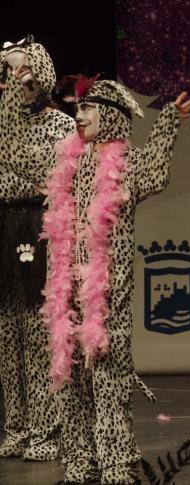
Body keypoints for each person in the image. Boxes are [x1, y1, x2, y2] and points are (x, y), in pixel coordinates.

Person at [0, 73, 190, 483]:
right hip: (64, 288)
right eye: (78, 107)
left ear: (111, 115)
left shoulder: (127, 163)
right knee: (68, 374)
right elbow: (13, 151)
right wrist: (13, 96)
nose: (79, 114)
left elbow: (157, 172)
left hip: (106, 294)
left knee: (108, 377)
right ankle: (80, 458)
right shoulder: (64, 161)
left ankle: (116, 461)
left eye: (88, 107)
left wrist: (168, 124)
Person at [0, 37, 71, 461]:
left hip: (38, 223)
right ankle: (16, 426)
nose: (15, 82)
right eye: (8, 73)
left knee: (38, 327)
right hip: (2, 223)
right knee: (6, 331)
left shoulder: (61, 126)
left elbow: (53, 180)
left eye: (23, 72)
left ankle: (47, 428)